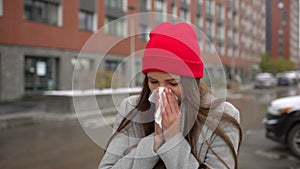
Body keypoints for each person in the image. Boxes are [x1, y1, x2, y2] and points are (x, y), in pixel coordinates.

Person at [98, 22, 242, 169]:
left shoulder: (222, 117)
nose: (161, 91)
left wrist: (173, 139)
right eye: (153, 81)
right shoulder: (131, 109)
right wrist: (154, 142)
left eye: (172, 83)